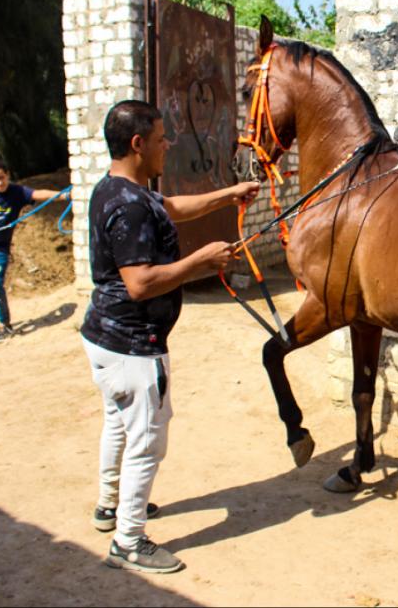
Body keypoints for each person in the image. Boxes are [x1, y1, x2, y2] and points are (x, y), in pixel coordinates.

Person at [81, 99, 260, 574]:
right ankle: (129, 540)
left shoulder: (118, 190)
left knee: (118, 425)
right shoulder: (129, 207)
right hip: (133, 345)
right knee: (147, 441)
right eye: (162, 139)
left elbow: (172, 207)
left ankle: (108, 506)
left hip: (104, 336)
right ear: (138, 144)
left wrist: (230, 194)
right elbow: (140, 283)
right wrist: (198, 264)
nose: (168, 145)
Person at [0, 160, 63, 345]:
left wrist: (64, 195)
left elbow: (38, 194)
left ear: (7, 175)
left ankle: (4, 324)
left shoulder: (17, 192)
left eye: (2, 178)